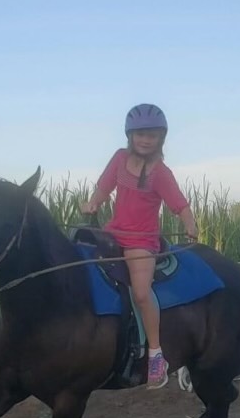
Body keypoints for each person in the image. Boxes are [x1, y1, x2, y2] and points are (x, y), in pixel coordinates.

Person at [81, 103, 199, 389]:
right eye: (140, 134)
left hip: (141, 241)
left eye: (152, 135)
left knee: (142, 293)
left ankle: (156, 354)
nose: (145, 140)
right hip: (112, 234)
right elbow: (104, 187)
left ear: (161, 138)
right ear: (129, 136)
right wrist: (93, 202)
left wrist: (190, 224)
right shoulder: (120, 159)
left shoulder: (161, 172)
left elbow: (179, 204)